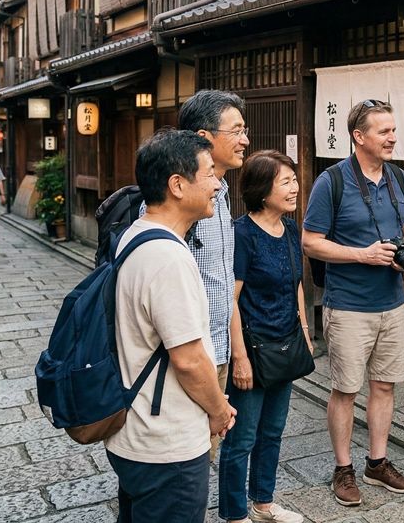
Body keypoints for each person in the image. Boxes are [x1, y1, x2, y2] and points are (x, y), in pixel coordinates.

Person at [107, 128, 238, 522]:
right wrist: (218, 410)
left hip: (136, 434)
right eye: (210, 174)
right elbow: (189, 359)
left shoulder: (137, 235)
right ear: (178, 185)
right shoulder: (168, 257)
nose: (217, 184)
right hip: (167, 445)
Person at [303, 99, 404, 507]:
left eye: (393, 129)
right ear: (359, 136)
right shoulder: (331, 182)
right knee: (346, 389)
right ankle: (343, 468)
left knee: (385, 385)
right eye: (384, 131)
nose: (393, 137)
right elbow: (310, 242)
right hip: (349, 303)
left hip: (392, 301)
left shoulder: (398, 178)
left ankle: (377, 462)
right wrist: (362, 255)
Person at [220, 150, 310, 523]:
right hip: (254, 351)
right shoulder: (242, 234)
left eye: (293, 179)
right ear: (262, 189)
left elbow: (297, 283)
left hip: (284, 345)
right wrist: (238, 357)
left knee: (273, 431)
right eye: (285, 181)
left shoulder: (290, 229)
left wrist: (304, 330)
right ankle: (234, 513)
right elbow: (231, 299)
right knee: (241, 439)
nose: (294, 188)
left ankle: (263, 504)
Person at [178, 90, 250, 463]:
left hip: (216, 351)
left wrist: (236, 354)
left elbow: (225, 283)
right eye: (236, 130)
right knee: (184, 463)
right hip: (189, 357)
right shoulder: (181, 200)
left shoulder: (218, 195)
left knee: (204, 458)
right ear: (205, 138)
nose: (245, 140)